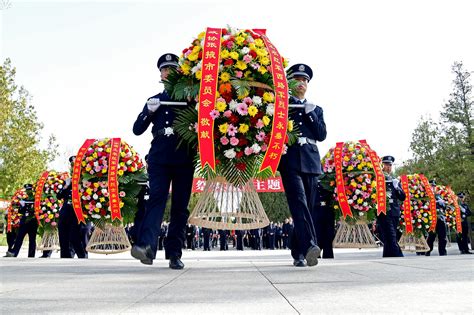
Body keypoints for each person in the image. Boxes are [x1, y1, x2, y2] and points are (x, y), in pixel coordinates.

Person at [131, 53, 196, 269]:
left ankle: (174, 253)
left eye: (172, 69)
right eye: (164, 69)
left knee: (180, 206)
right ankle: (147, 247)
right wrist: (148, 112)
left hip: (183, 157)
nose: (167, 72)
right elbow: (137, 130)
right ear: (160, 74)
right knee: (156, 199)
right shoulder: (155, 100)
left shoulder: (189, 99)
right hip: (159, 157)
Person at [279, 63, 326, 267]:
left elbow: (321, 135)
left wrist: (310, 114)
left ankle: (297, 251)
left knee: (307, 205)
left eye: (305, 80)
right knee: (299, 202)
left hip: (311, 160)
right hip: (290, 160)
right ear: (290, 82)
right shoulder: (282, 107)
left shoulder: (316, 109)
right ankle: (310, 246)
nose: (301, 83)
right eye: (297, 79)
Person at [57, 156, 88, 259]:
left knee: (75, 237)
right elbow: (59, 196)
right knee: (63, 236)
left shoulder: (85, 181)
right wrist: (66, 186)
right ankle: (65, 258)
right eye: (72, 166)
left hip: (78, 212)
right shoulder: (67, 181)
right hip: (66, 211)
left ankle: (82, 257)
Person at [377, 156, 405, 257]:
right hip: (384, 211)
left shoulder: (394, 180)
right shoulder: (379, 178)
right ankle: (398, 255)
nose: (388, 167)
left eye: (390, 165)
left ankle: (388, 255)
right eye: (386, 165)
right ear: (382, 165)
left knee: (389, 236)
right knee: (391, 235)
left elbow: (402, 197)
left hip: (394, 211)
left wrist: (398, 188)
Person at [5, 184, 38, 257]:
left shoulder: (35, 197)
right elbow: (20, 211)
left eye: (29, 189)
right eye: (27, 189)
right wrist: (22, 206)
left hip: (32, 221)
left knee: (32, 239)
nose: (28, 191)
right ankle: (14, 252)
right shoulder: (23, 198)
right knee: (19, 238)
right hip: (24, 221)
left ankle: (31, 255)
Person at [426, 180, 448, 256]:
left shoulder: (439, 196)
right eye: (431, 186)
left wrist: (442, 203)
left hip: (440, 218)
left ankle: (442, 252)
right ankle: (428, 250)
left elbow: (444, 207)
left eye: (434, 186)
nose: (433, 187)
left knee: (442, 236)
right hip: (431, 219)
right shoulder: (426, 196)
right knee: (431, 236)